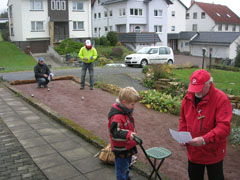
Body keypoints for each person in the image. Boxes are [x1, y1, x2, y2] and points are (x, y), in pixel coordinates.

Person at [179, 69, 232, 180]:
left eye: (200, 88)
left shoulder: (221, 99)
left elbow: (224, 127)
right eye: (194, 88)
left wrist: (204, 139)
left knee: (216, 177)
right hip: (194, 151)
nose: (196, 92)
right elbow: (183, 119)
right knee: (194, 176)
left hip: (213, 152)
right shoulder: (188, 97)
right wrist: (182, 134)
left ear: (209, 84)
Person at [108, 87, 139, 180]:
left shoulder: (126, 111)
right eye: (132, 104)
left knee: (127, 164)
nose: (134, 106)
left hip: (128, 145)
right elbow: (115, 132)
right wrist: (129, 134)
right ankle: (122, 178)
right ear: (124, 102)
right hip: (121, 148)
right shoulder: (117, 116)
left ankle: (126, 176)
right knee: (121, 167)